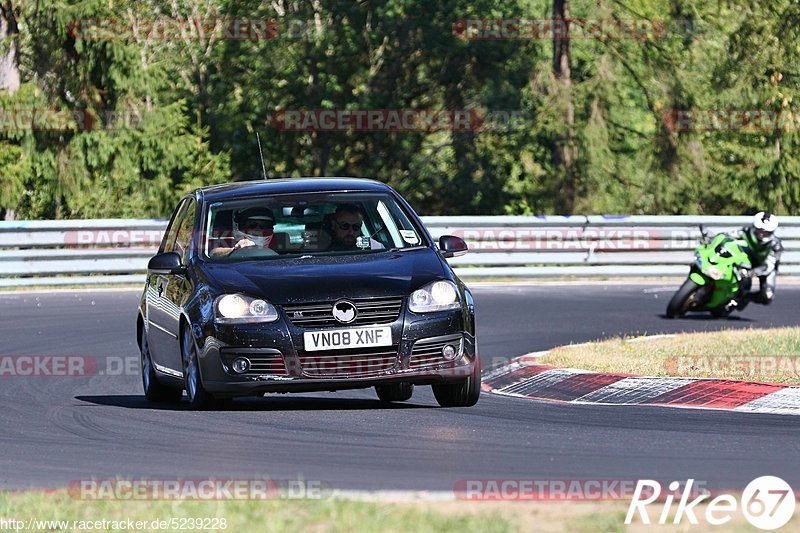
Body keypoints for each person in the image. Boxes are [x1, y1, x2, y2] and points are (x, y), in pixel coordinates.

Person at [731, 212, 783, 309]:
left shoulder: (776, 246)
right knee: (741, 279)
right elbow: (729, 236)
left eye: (765, 232)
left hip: (765, 268)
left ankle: (748, 297)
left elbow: (768, 267)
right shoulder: (746, 232)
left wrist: (750, 273)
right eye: (759, 231)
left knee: (767, 296)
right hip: (747, 260)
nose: (761, 234)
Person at [210, 207, 276, 256]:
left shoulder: (280, 242)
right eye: (252, 225)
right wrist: (234, 250)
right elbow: (213, 253)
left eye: (265, 226)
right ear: (236, 226)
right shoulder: (226, 241)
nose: (258, 230)